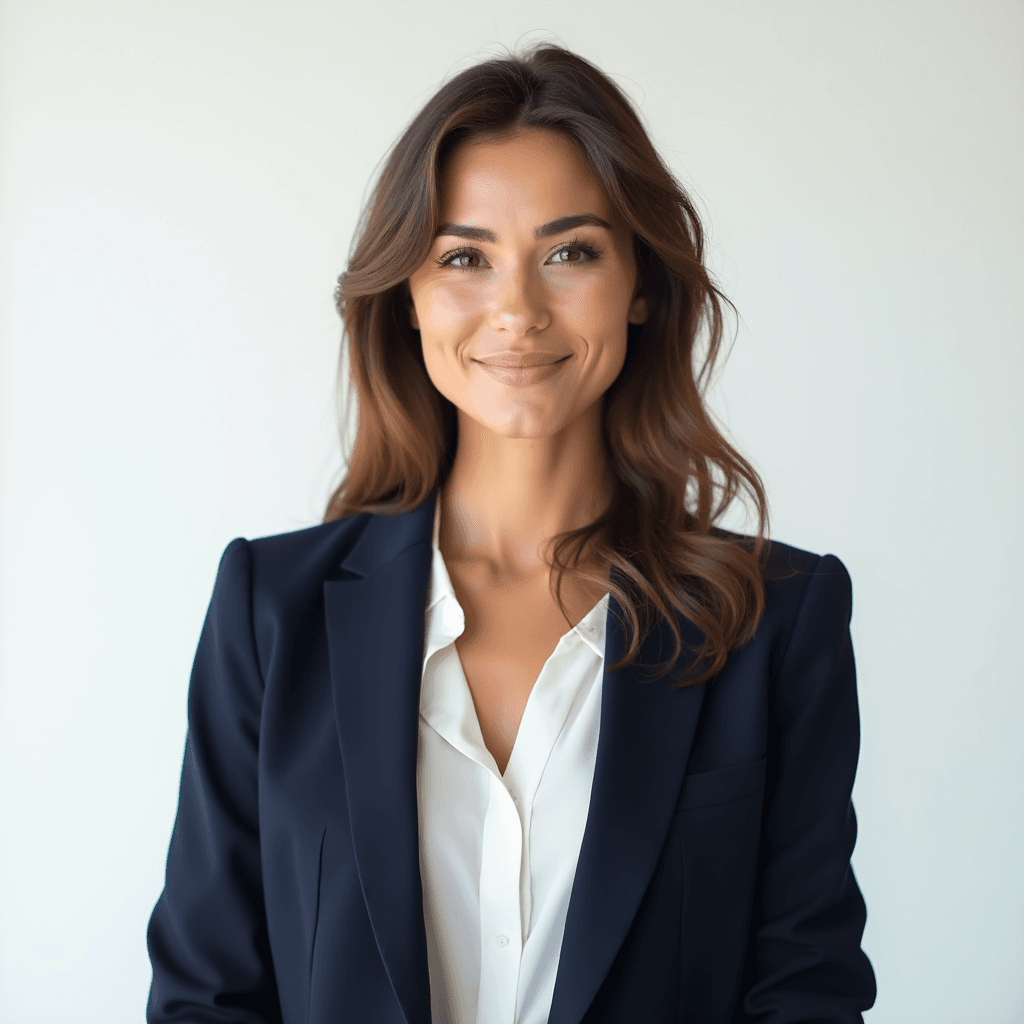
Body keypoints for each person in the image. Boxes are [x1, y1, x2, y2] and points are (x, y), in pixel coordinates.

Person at [146, 43, 876, 1024]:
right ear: (408, 294)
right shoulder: (268, 613)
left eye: (570, 252)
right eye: (464, 257)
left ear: (641, 284)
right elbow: (206, 993)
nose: (518, 310)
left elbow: (805, 992)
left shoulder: (774, 622)